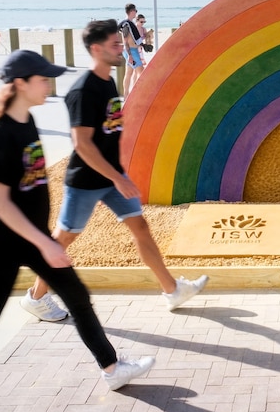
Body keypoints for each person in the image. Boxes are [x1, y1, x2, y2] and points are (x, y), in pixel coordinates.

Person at [0, 51, 154, 412]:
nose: (48, 84)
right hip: (3, 246)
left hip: (30, 238)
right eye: (42, 79)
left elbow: (12, 180)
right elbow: (0, 198)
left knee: (77, 296)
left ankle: (111, 368)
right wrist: (41, 239)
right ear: (21, 84)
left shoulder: (25, 122)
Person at [21, 19, 208, 322]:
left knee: (140, 228)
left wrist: (119, 172)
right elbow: (82, 144)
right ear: (96, 49)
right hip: (86, 180)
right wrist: (116, 177)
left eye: (120, 43)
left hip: (111, 177)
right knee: (63, 240)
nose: (121, 48)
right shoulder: (83, 90)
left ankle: (172, 289)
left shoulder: (107, 82)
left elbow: (109, 131)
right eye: (114, 44)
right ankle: (36, 297)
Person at [119, 3, 144, 97]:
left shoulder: (129, 24)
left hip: (131, 50)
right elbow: (125, 41)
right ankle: (137, 95)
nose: (136, 13)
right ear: (132, 11)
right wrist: (129, 55)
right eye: (135, 11)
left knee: (129, 73)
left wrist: (141, 46)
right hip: (131, 52)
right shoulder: (126, 25)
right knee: (141, 73)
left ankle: (126, 96)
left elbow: (132, 40)